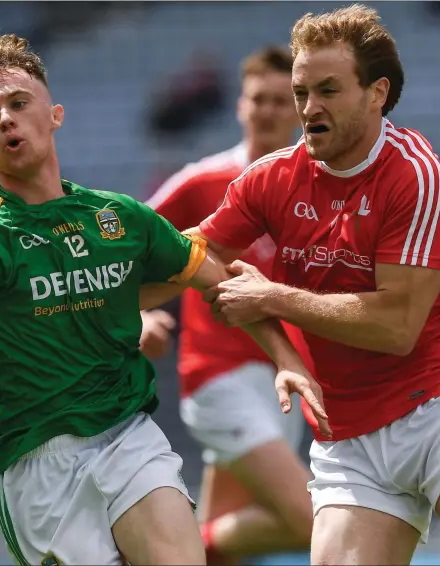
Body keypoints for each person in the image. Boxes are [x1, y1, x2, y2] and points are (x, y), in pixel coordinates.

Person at [0, 33, 324, 566]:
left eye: (19, 103)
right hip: (37, 454)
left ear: (54, 115)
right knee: (315, 520)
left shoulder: (116, 216)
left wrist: (287, 359)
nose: (6, 118)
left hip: (129, 433)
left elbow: (212, 275)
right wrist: (136, 314)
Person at [178, 5, 440, 565]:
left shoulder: (415, 175)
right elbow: (186, 254)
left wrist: (271, 297)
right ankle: (203, 547)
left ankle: (205, 545)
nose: (309, 108)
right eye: (301, 93)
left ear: (377, 93)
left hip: (438, 409)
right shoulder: (271, 178)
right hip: (348, 435)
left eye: (328, 90)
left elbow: (396, 327)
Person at [143, 46, 316, 563]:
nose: (268, 111)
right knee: (319, 519)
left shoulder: (321, 188)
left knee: (223, 544)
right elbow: (129, 247)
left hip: (284, 381)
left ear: (301, 110)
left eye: (281, 101)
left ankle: (192, 551)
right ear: (240, 106)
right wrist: (139, 311)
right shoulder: (203, 182)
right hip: (218, 378)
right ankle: (162, 552)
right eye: (258, 99)